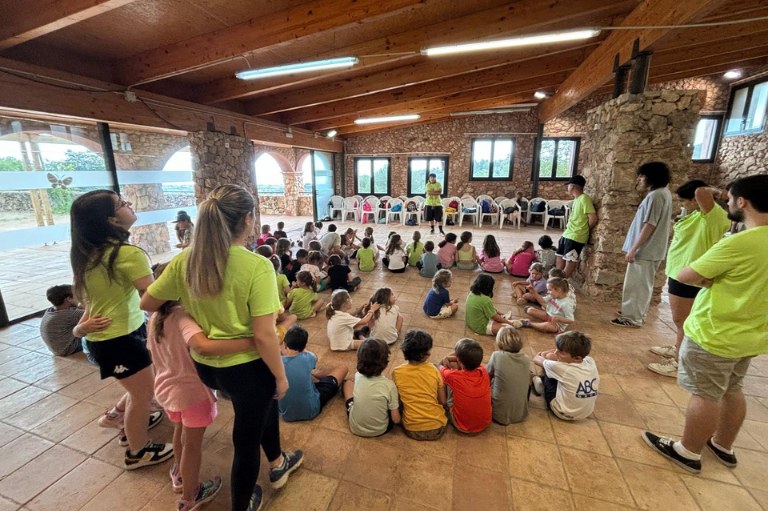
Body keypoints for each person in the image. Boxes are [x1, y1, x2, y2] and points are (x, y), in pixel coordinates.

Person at [141, 185, 303, 510]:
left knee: (262, 410)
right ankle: (242, 504)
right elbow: (264, 336)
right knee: (245, 442)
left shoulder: (184, 260)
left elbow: (148, 302)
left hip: (208, 369)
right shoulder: (256, 266)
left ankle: (277, 459)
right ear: (248, 218)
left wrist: (189, 310)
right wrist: (280, 376)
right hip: (249, 371)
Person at [642, 174, 768, 474]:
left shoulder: (741, 242)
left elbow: (687, 274)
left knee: (706, 394)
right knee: (733, 388)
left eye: (730, 197)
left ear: (742, 202)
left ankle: (688, 451)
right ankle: (723, 445)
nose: (727, 202)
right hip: (752, 332)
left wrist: (706, 277)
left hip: (717, 331)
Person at [70, 190, 172, 470]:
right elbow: (153, 297)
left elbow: (98, 301)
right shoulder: (127, 254)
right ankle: (137, 451)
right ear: (111, 220)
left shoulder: (89, 255)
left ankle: (119, 417)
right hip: (119, 339)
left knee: (141, 387)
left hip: (113, 337)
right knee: (143, 394)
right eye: (122, 203)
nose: (129, 204)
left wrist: (80, 329)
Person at [145, 271, 225, 511]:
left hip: (167, 389)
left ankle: (180, 474)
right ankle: (190, 497)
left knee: (180, 432)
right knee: (192, 445)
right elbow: (203, 347)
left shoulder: (155, 316)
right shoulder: (184, 318)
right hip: (193, 394)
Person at [647, 180, 730, 377]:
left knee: (683, 320)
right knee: (680, 320)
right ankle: (677, 347)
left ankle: (680, 363)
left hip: (691, 275)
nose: (682, 204)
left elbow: (701, 191)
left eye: (684, 200)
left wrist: (717, 192)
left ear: (695, 199)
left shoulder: (713, 216)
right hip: (679, 272)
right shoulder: (695, 215)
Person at [611, 162, 673, 328]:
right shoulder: (662, 193)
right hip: (649, 250)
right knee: (640, 284)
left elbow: (649, 225)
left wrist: (634, 248)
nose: (639, 179)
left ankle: (633, 318)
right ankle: (634, 312)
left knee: (638, 286)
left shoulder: (656, 196)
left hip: (646, 250)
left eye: (642, 176)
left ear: (652, 177)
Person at [279, 325, 347, 422]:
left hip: (286, 414)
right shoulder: (309, 358)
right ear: (304, 346)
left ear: (285, 344)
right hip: (311, 410)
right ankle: (327, 381)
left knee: (310, 374)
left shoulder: (275, 364)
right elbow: (314, 357)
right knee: (343, 369)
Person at [392, 329, 447, 440]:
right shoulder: (434, 370)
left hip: (411, 429)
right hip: (437, 427)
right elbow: (442, 401)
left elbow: (397, 401)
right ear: (425, 355)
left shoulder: (396, 372)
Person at [532, 331, 598, 421]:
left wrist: (544, 354)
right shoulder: (590, 361)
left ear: (577, 358)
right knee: (554, 364)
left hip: (561, 412)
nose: (556, 352)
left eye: (561, 352)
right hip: (585, 413)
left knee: (549, 362)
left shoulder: (564, 369)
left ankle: (541, 383)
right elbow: (559, 354)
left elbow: (536, 359)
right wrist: (559, 352)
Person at [343, 338, 401, 437]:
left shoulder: (358, 376)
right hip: (380, 430)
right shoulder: (389, 386)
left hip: (355, 427)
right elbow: (396, 419)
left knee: (348, 383)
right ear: (385, 363)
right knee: (393, 403)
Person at [438, 338, 492, 434]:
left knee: (444, 380)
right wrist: (456, 359)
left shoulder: (453, 376)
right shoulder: (483, 371)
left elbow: (439, 366)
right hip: (484, 423)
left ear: (459, 359)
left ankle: (445, 406)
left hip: (461, 426)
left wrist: (447, 358)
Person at [40, 284, 101, 357]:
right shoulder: (71, 314)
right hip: (67, 349)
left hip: (56, 349)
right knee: (95, 325)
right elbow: (93, 312)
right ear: (69, 299)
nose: (79, 297)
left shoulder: (51, 311)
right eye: (77, 295)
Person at [487, 327, 530, 425]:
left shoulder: (497, 356)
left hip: (498, 414)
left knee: (493, 380)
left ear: (499, 342)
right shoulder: (526, 359)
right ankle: (535, 379)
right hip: (520, 414)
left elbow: (486, 377)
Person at [556, 176, 597, 277]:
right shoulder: (577, 199)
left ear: (572, 186)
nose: (568, 188)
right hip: (568, 233)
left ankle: (562, 281)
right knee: (559, 255)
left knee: (570, 259)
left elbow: (593, 218)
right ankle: (556, 279)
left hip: (576, 235)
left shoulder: (584, 199)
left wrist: (584, 229)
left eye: (568, 186)